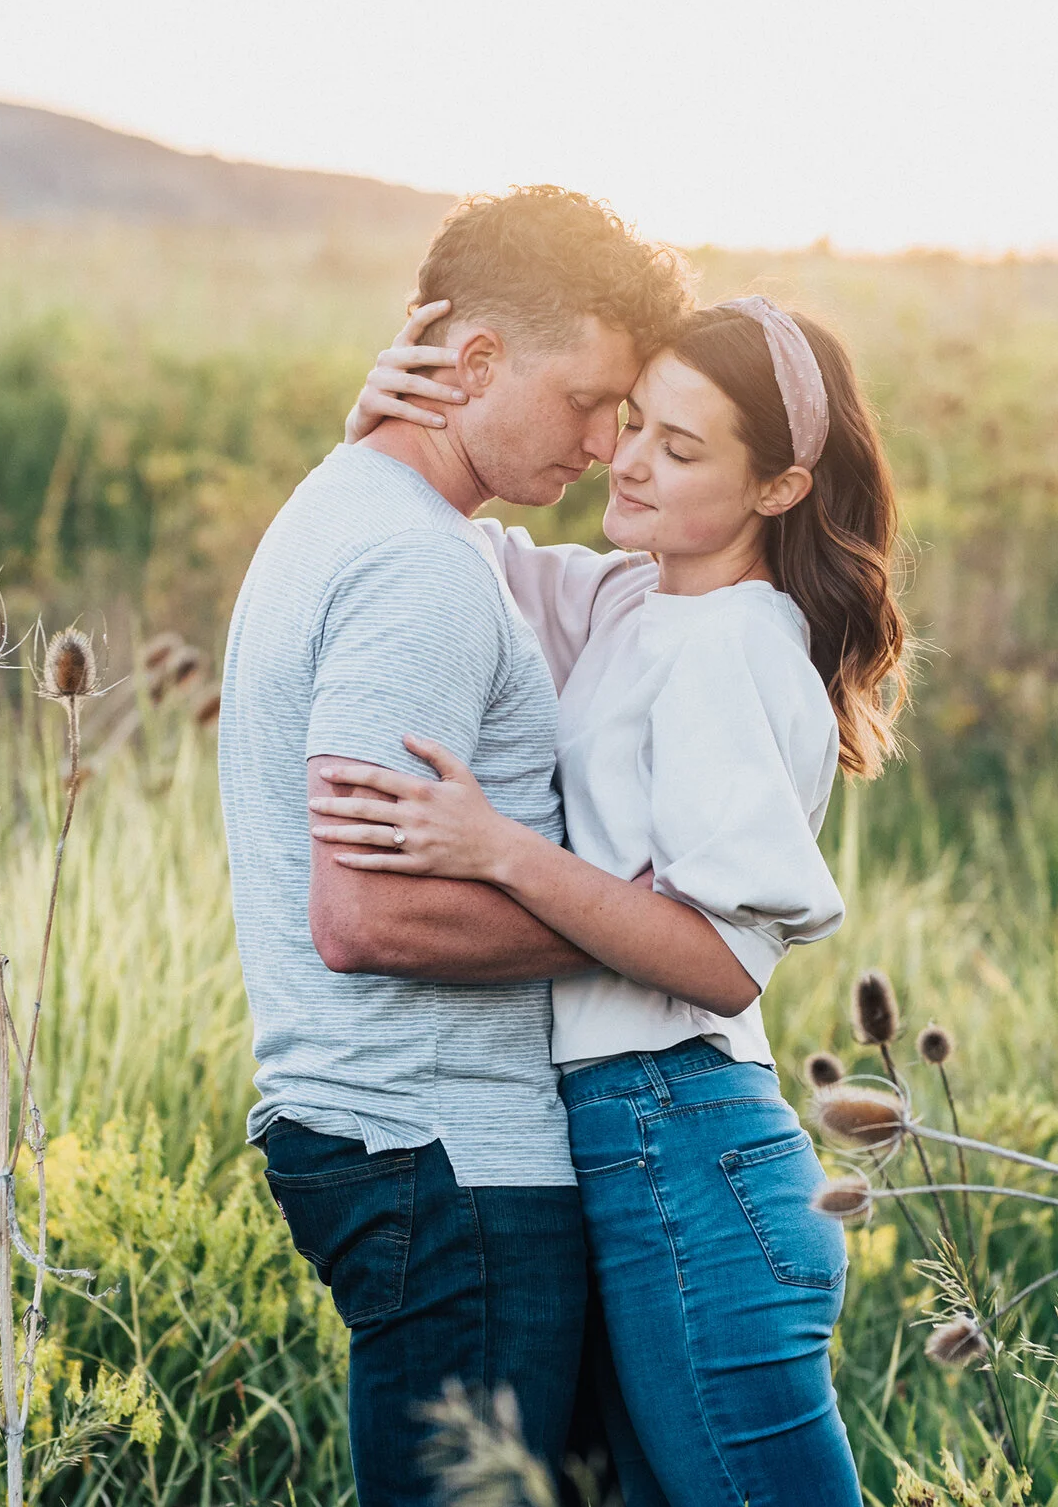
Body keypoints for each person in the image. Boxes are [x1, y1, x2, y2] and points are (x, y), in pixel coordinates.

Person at [314, 294, 909, 1506]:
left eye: (679, 448)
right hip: (643, 1150)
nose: (625, 459)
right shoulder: (643, 598)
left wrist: (497, 850)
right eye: (633, 421)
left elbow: (724, 958)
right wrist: (379, 432)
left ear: (778, 489)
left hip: (686, 1143)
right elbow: (460, 546)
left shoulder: (735, 644)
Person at [216, 185, 693, 1505]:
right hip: (443, 1162)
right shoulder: (409, 567)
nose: (606, 442)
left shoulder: (378, 520)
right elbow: (361, 915)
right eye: (588, 400)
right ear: (472, 363)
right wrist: (635, 929)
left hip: (422, 1153)